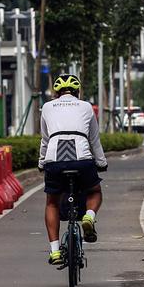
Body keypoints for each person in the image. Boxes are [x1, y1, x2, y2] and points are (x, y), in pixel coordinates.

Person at [39, 73, 107, 266]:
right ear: (77, 91)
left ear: (56, 92)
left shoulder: (47, 107)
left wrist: (41, 162)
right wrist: (101, 162)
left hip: (54, 159)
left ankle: (54, 252)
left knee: (52, 202)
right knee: (94, 191)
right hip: (81, 159)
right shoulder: (86, 107)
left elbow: (45, 140)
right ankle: (89, 216)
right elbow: (94, 139)